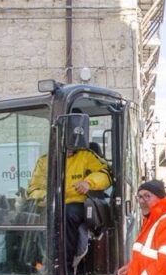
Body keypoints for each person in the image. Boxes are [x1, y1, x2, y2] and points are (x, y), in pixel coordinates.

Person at [26, 113, 111, 264]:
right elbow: (32, 189)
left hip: (77, 203)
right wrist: (46, 195)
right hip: (50, 204)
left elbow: (106, 174)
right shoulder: (44, 161)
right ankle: (33, 262)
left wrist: (88, 183)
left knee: (67, 214)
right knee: (24, 217)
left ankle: (66, 262)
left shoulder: (86, 156)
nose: (70, 150)